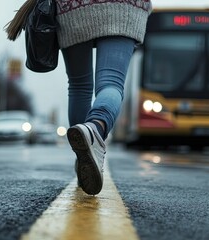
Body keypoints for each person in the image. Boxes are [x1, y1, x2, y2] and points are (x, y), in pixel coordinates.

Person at [56, 0, 152, 195]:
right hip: (122, 6)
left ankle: (83, 153)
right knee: (111, 83)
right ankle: (95, 129)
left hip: (72, 8)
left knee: (79, 86)